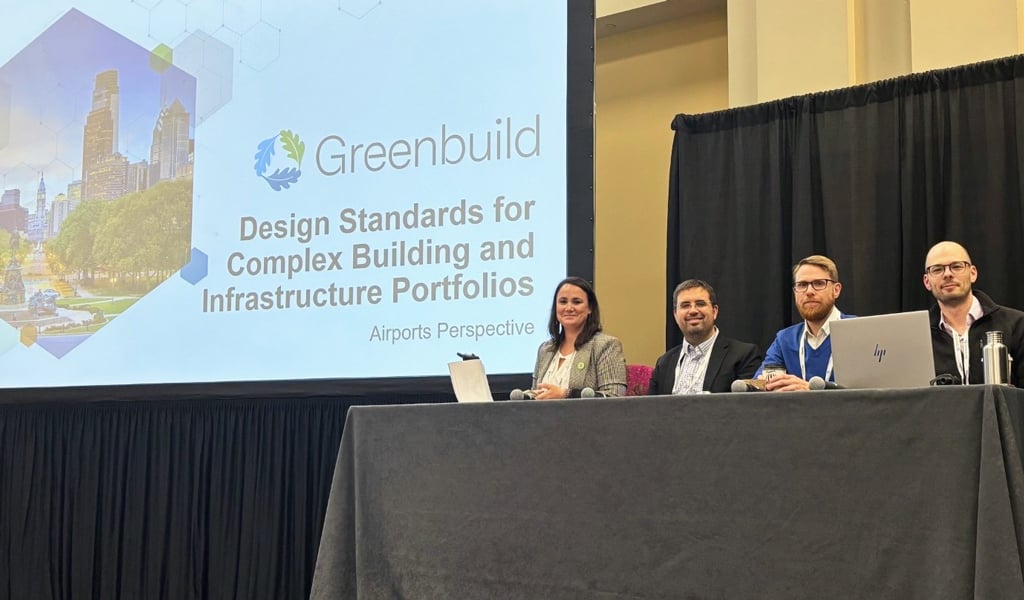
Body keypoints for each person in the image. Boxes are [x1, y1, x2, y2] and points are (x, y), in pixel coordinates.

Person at [922, 241, 1024, 385]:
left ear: (973, 273)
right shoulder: (919, 336)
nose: (948, 274)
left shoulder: (1017, 325)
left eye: (956, 266)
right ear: (927, 281)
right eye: (937, 269)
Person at [757, 255, 855, 391]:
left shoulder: (860, 331)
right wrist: (766, 384)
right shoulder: (784, 339)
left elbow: (872, 390)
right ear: (794, 292)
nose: (809, 292)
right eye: (802, 285)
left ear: (836, 290)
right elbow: (760, 381)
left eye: (819, 283)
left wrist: (811, 390)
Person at [648, 279, 762, 394]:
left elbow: (747, 407)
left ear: (714, 311)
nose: (693, 310)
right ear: (675, 315)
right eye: (685, 305)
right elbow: (649, 408)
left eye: (700, 304)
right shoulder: (664, 363)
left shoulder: (744, 355)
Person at [531, 276, 627, 399]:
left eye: (576, 302)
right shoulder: (545, 350)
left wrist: (565, 395)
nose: (569, 308)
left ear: (590, 308)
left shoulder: (606, 345)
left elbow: (615, 397)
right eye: (563, 302)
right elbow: (535, 394)